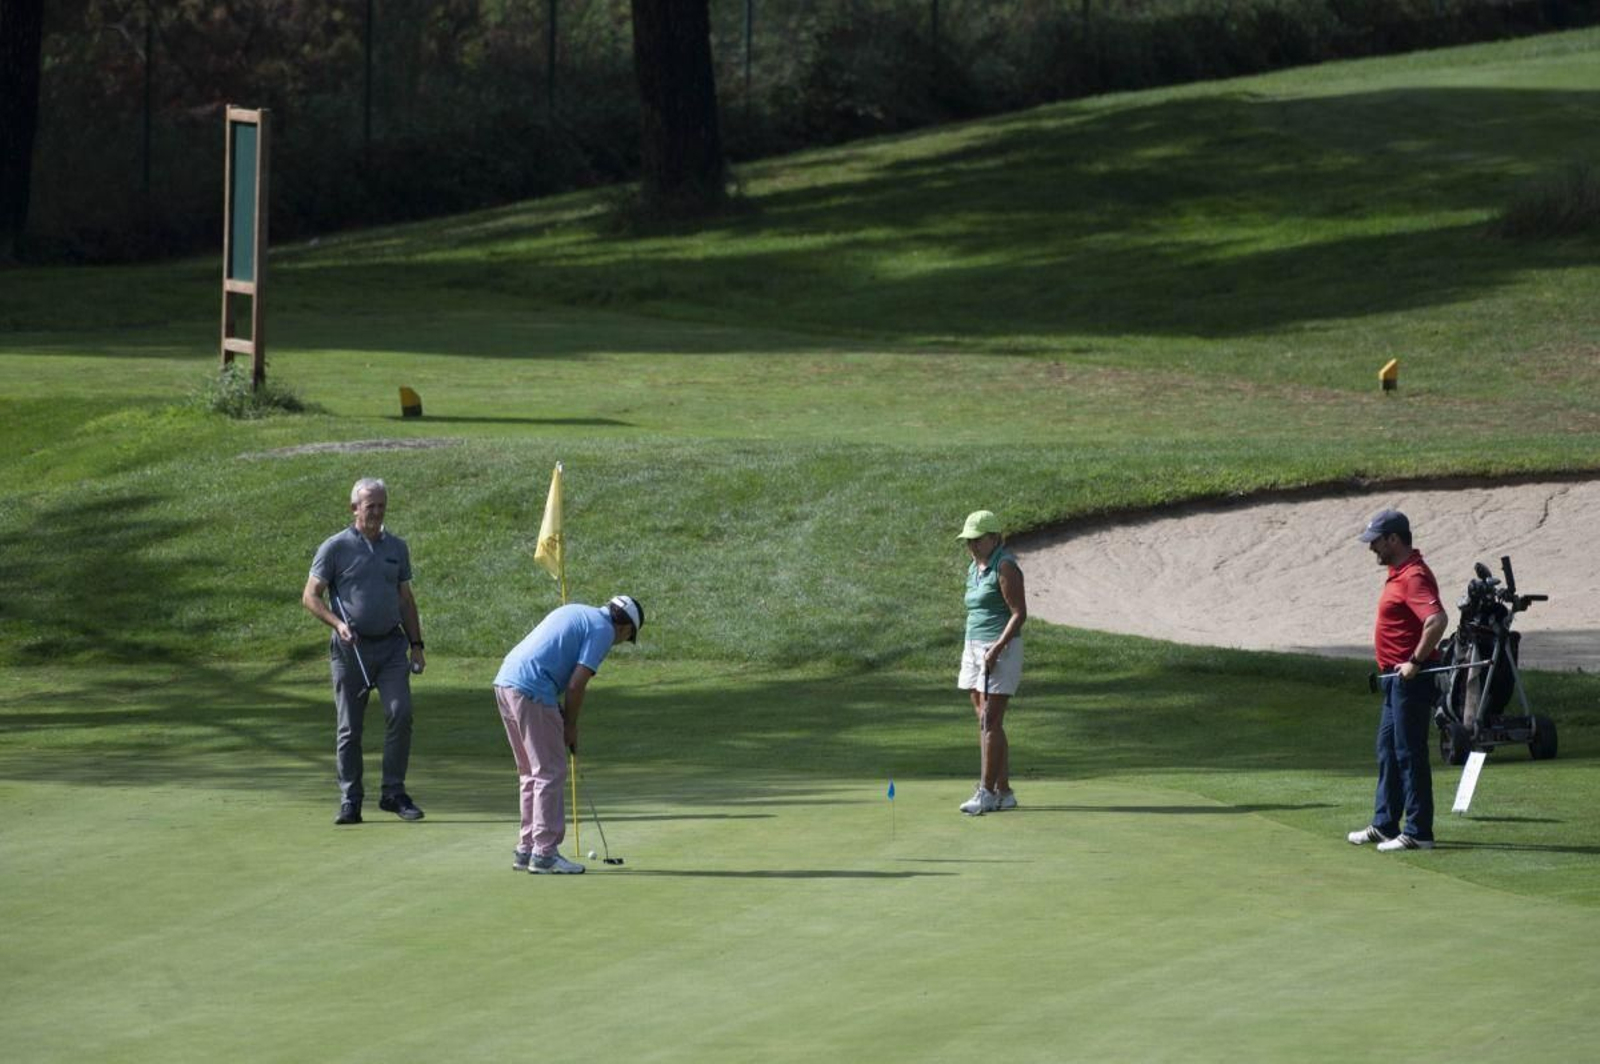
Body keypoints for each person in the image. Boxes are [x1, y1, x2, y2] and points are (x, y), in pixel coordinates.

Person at [301, 478, 427, 826]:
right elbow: (311, 595)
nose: (376, 512)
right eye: (370, 506)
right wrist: (337, 623)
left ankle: (393, 793)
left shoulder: (396, 548)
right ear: (354, 508)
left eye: (382, 505)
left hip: (390, 646)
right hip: (349, 650)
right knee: (349, 729)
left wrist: (416, 645)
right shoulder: (335, 547)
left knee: (400, 713)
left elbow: (405, 599)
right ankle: (350, 799)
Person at [494, 595, 644, 874]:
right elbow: (576, 686)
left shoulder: (579, 611)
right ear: (625, 629)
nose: (620, 641)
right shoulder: (603, 630)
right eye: (627, 637)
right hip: (531, 687)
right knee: (550, 772)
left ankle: (526, 849)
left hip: (505, 682)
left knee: (530, 772)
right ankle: (545, 854)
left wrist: (561, 717)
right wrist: (571, 726)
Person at [1348, 508, 1447, 852]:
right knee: (1388, 751)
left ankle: (1419, 832)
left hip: (1410, 679)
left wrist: (1415, 662)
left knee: (1409, 753)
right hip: (1393, 679)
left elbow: (1436, 620)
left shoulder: (1413, 576)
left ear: (1393, 539)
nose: (1372, 548)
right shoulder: (1398, 572)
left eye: (1376, 541)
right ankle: (1385, 823)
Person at [955, 510, 1028, 816]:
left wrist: (997, 647)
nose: (971, 545)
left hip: (999, 648)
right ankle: (1004, 791)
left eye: (977, 539)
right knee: (984, 718)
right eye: (968, 540)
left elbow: (1019, 613)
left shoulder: (1005, 565)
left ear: (994, 537)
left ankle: (985, 792)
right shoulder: (975, 567)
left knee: (990, 720)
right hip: (973, 646)